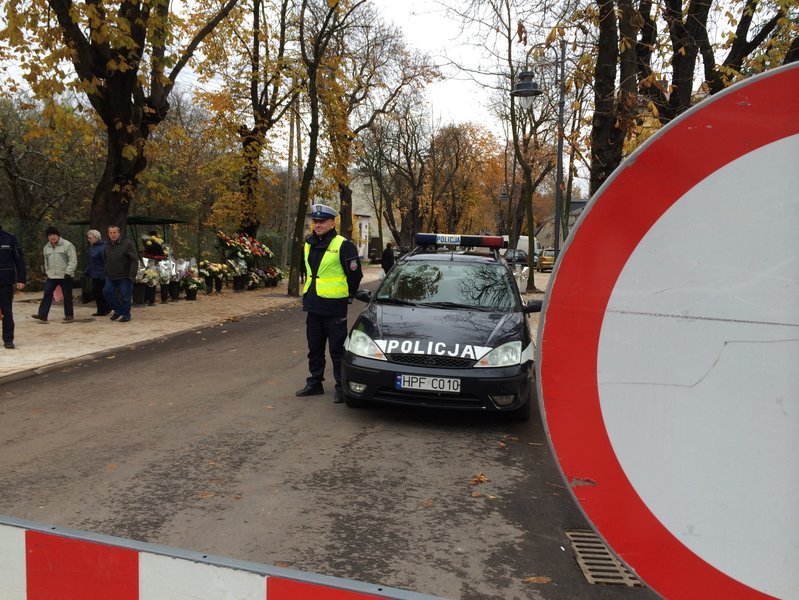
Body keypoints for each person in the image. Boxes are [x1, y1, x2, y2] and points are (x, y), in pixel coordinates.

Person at [296, 203, 363, 403]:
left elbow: (355, 274)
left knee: (336, 350)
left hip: (334, 307)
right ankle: (314, 382)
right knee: (314, 348)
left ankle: (341, 387)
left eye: (322, 222)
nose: (317, 225)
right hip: (314, 305)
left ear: (332, 223)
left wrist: (349, 294)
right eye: (315, 222)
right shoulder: (309, 243)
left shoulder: (343, 244)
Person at [32, 226, 77, 323]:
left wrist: (68, 272)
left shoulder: (67, 245)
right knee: (47, 293)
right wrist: (47, 272)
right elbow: (46, 261)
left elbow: (73, 260)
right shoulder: (46, 247)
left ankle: (69, 315)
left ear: (58, 235)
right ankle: (42, 315)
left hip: (65, 275)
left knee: (67, 295)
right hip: (52, 276)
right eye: (50, 235)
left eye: (54, 235)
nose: (52, 237)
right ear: (48, 237)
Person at [103, 224, 139, 323]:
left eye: (115, 232)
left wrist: (132, 274)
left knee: (125, 296)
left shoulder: (127, 243)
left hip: (125, 275)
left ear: (119, 233)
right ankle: (118, 310)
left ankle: (126, 315)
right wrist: (105, 271)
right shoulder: (107, 244)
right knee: (107, 292)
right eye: (110, 233)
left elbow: (134, 260)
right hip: (110, 275)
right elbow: (105, 259)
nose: (113, 235)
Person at [0, 225, 26, 349]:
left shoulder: (9, 238)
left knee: (7, 311)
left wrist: (21, 278)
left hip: (5, 281)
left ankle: (8, 339)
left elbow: (19, 259)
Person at [84, 229, 111, 316]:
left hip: (100, 274)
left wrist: (104, 273)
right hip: (94, 273)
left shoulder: (102, 247)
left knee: (97, 291)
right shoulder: (92, 247)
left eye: (90, 238)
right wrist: (87, 271)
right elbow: (91, 261)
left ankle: (104, 309)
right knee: (98, 292)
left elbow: (105, 262)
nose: (89, 239)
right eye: (88, 238)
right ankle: (104, 308)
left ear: (96, 237)